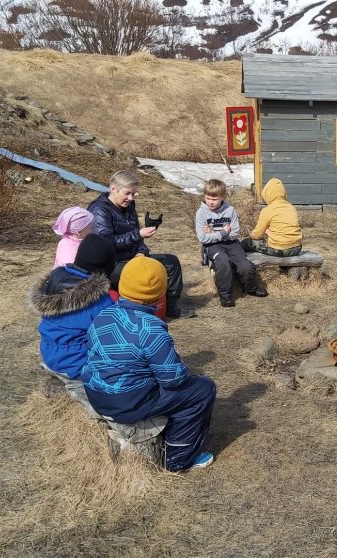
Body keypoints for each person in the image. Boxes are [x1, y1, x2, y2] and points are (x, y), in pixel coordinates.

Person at [80, 257, 217, 472]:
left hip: (96, 394)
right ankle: (179, 457)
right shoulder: (150, 329)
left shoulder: (103, 315)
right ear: (160, 292)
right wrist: (182, 369)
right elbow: (173, 379)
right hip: (128, 403)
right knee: (202, 389)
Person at [88, 170, 194, 319]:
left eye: (133, 194)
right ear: (113, 189)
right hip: (111, 264)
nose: (130, 198)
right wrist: (138, 235)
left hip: (132, 257)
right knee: (139, 274)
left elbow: (136, 235)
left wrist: (141, 252)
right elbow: (105, 244)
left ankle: (169, 308)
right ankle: (135, 314)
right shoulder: (100, 210)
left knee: (171, 262)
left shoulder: (129, 207)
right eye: (127, 193)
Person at [30, 234, 116, 413]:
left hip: (49, 353)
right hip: (77, 364)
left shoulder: (55, 281)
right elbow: (111, 339)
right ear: (108, 266)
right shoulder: (100, 300)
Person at [195, 179, 267, 308]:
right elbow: (203, 238)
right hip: (212, 246)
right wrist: (223, 232)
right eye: (208, 198)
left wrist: (213, 233)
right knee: (223, 261)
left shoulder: (230, 210)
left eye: (214, 199)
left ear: (222, 197)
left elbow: (234, 233)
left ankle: (250, 288)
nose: (210, 202)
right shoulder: (201, 213)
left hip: (232, 243)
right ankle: (226, 295)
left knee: (245, 265)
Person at [241, 178, 303, 257]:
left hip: (279, 249)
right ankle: (284, 268)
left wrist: (251, 234)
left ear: (267, 195)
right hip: (297, 248)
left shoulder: (267, 210)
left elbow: (258, 235)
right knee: (279, 245)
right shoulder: (291, 208)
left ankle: (243, 265)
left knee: (246, 243)